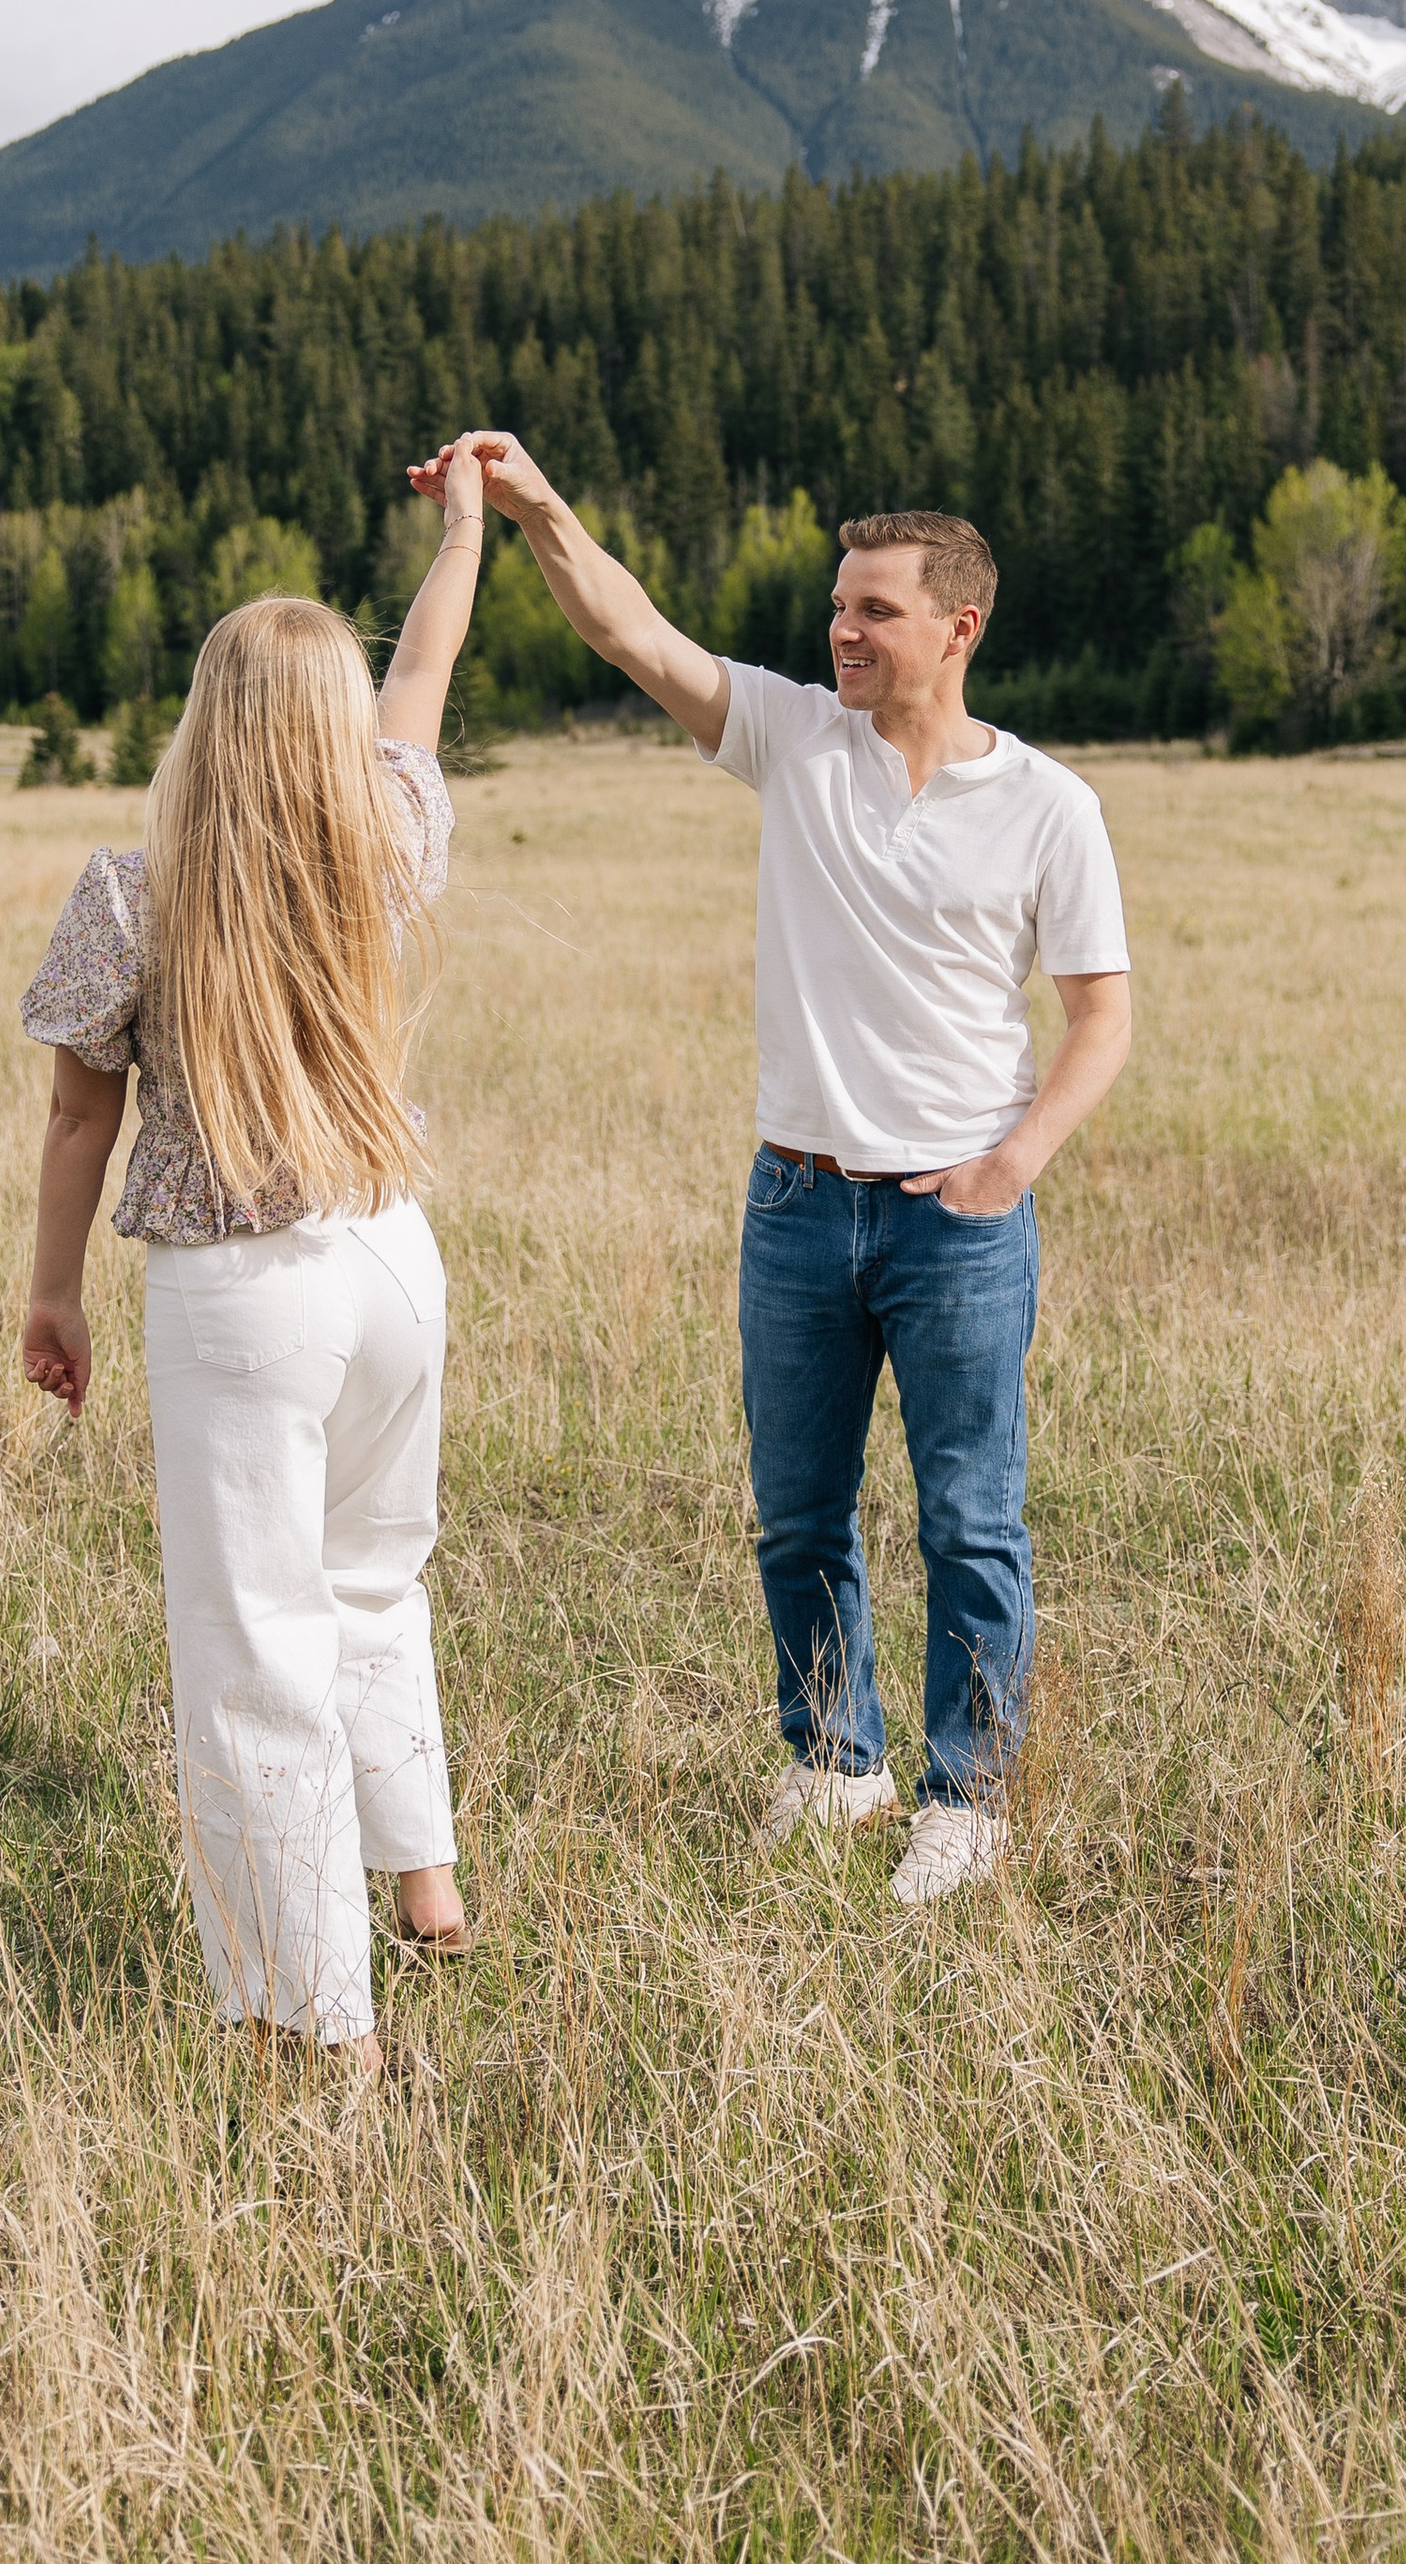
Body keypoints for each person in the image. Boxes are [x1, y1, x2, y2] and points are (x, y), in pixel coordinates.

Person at [409, 442, 1132, 1906]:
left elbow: (1101, 1014)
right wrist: (542, 507)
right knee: (798, 1512)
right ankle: (834, 1759)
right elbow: (628, 629)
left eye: (873, 609)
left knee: (968, 1516)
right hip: (797, 1203)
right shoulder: (797, 738)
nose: (841, 631)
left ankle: (969, 1794)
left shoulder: (1049, 804)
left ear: (957, 629)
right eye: (835, 606)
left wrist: (1012, 1164)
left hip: (958, 1220)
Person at [16, 439, 492, 2073]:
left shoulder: (131, 894)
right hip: (392, 1261)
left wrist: (55, 1289)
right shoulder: (383, 843)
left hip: (241, 1291)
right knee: (374, 1584)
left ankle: (318, 2023)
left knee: (252, 1662)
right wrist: (465, 526)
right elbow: (426, 662)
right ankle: (426, 1892)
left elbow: (83, 1125)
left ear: (205, 720)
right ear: (330, 724)